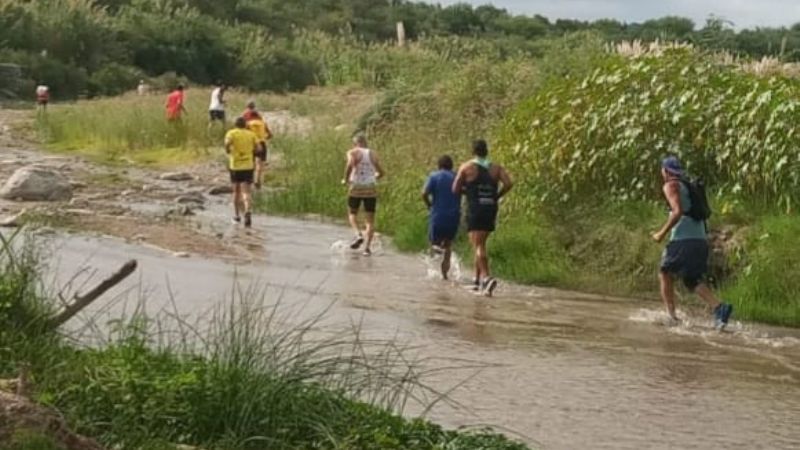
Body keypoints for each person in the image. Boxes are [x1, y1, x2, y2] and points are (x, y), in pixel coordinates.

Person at [652, 156, 733, 329]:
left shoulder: (670, 185)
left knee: (664, 271)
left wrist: (660, 234)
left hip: (683, 239)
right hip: (700, 240)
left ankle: (671, 316)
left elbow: (677, 211)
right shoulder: (688, 186)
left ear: (665, 171)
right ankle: (719, 307)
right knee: (691, 279)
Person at [453, 139, 513, 297]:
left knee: (478, 245)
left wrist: (469, 192)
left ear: (473, 151)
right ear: (486, 151)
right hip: (490, 208)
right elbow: (508, 183)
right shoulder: (496, 168)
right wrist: (497, 195)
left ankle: (486, 278)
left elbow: (455, 188)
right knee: (480, 243)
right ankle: (477, 280)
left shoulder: (466, 167)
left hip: (475, 208)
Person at [342, 134, 384, 256]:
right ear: (366, 143)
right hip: (370, 188)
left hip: (356, 187)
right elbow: (381, 173)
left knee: (352, 214)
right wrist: (374, 177)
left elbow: (350, 164)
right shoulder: (373, 153)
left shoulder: (352, 152)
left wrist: (345, 179)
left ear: (355, 143)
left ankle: (358, 234)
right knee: (370, 220)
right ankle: (367, 249)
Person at [422, 155, 461, 280]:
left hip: (437, 215)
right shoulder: (457, 177)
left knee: (434, 244)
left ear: (439, 166)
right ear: (451, 166)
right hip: (453, 216)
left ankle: (433, 271)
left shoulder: (434, 176)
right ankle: (445, 274)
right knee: (448, 245)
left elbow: (424, 193)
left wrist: (429, 205)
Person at [224, 117, 259, 227]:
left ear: (235, 124)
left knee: (236, 192)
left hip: (235, 166)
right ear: (245, 125)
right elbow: (258, 148)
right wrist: (253, 152)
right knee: (246, 192)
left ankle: (236, 216)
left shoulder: (231, 133)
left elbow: (227, 143)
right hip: (248, 166)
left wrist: (228, 150)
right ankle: (247, 212)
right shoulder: (251, 134)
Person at [246, 111, 272, 190]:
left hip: (252, 144)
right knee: (260, 163)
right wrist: (264, 138)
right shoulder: (263, 123)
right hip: (261, 143)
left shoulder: (248, 123)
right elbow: (270, 135)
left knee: (251, 162)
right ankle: (258, 180)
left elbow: (245, 133)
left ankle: (250, 179)